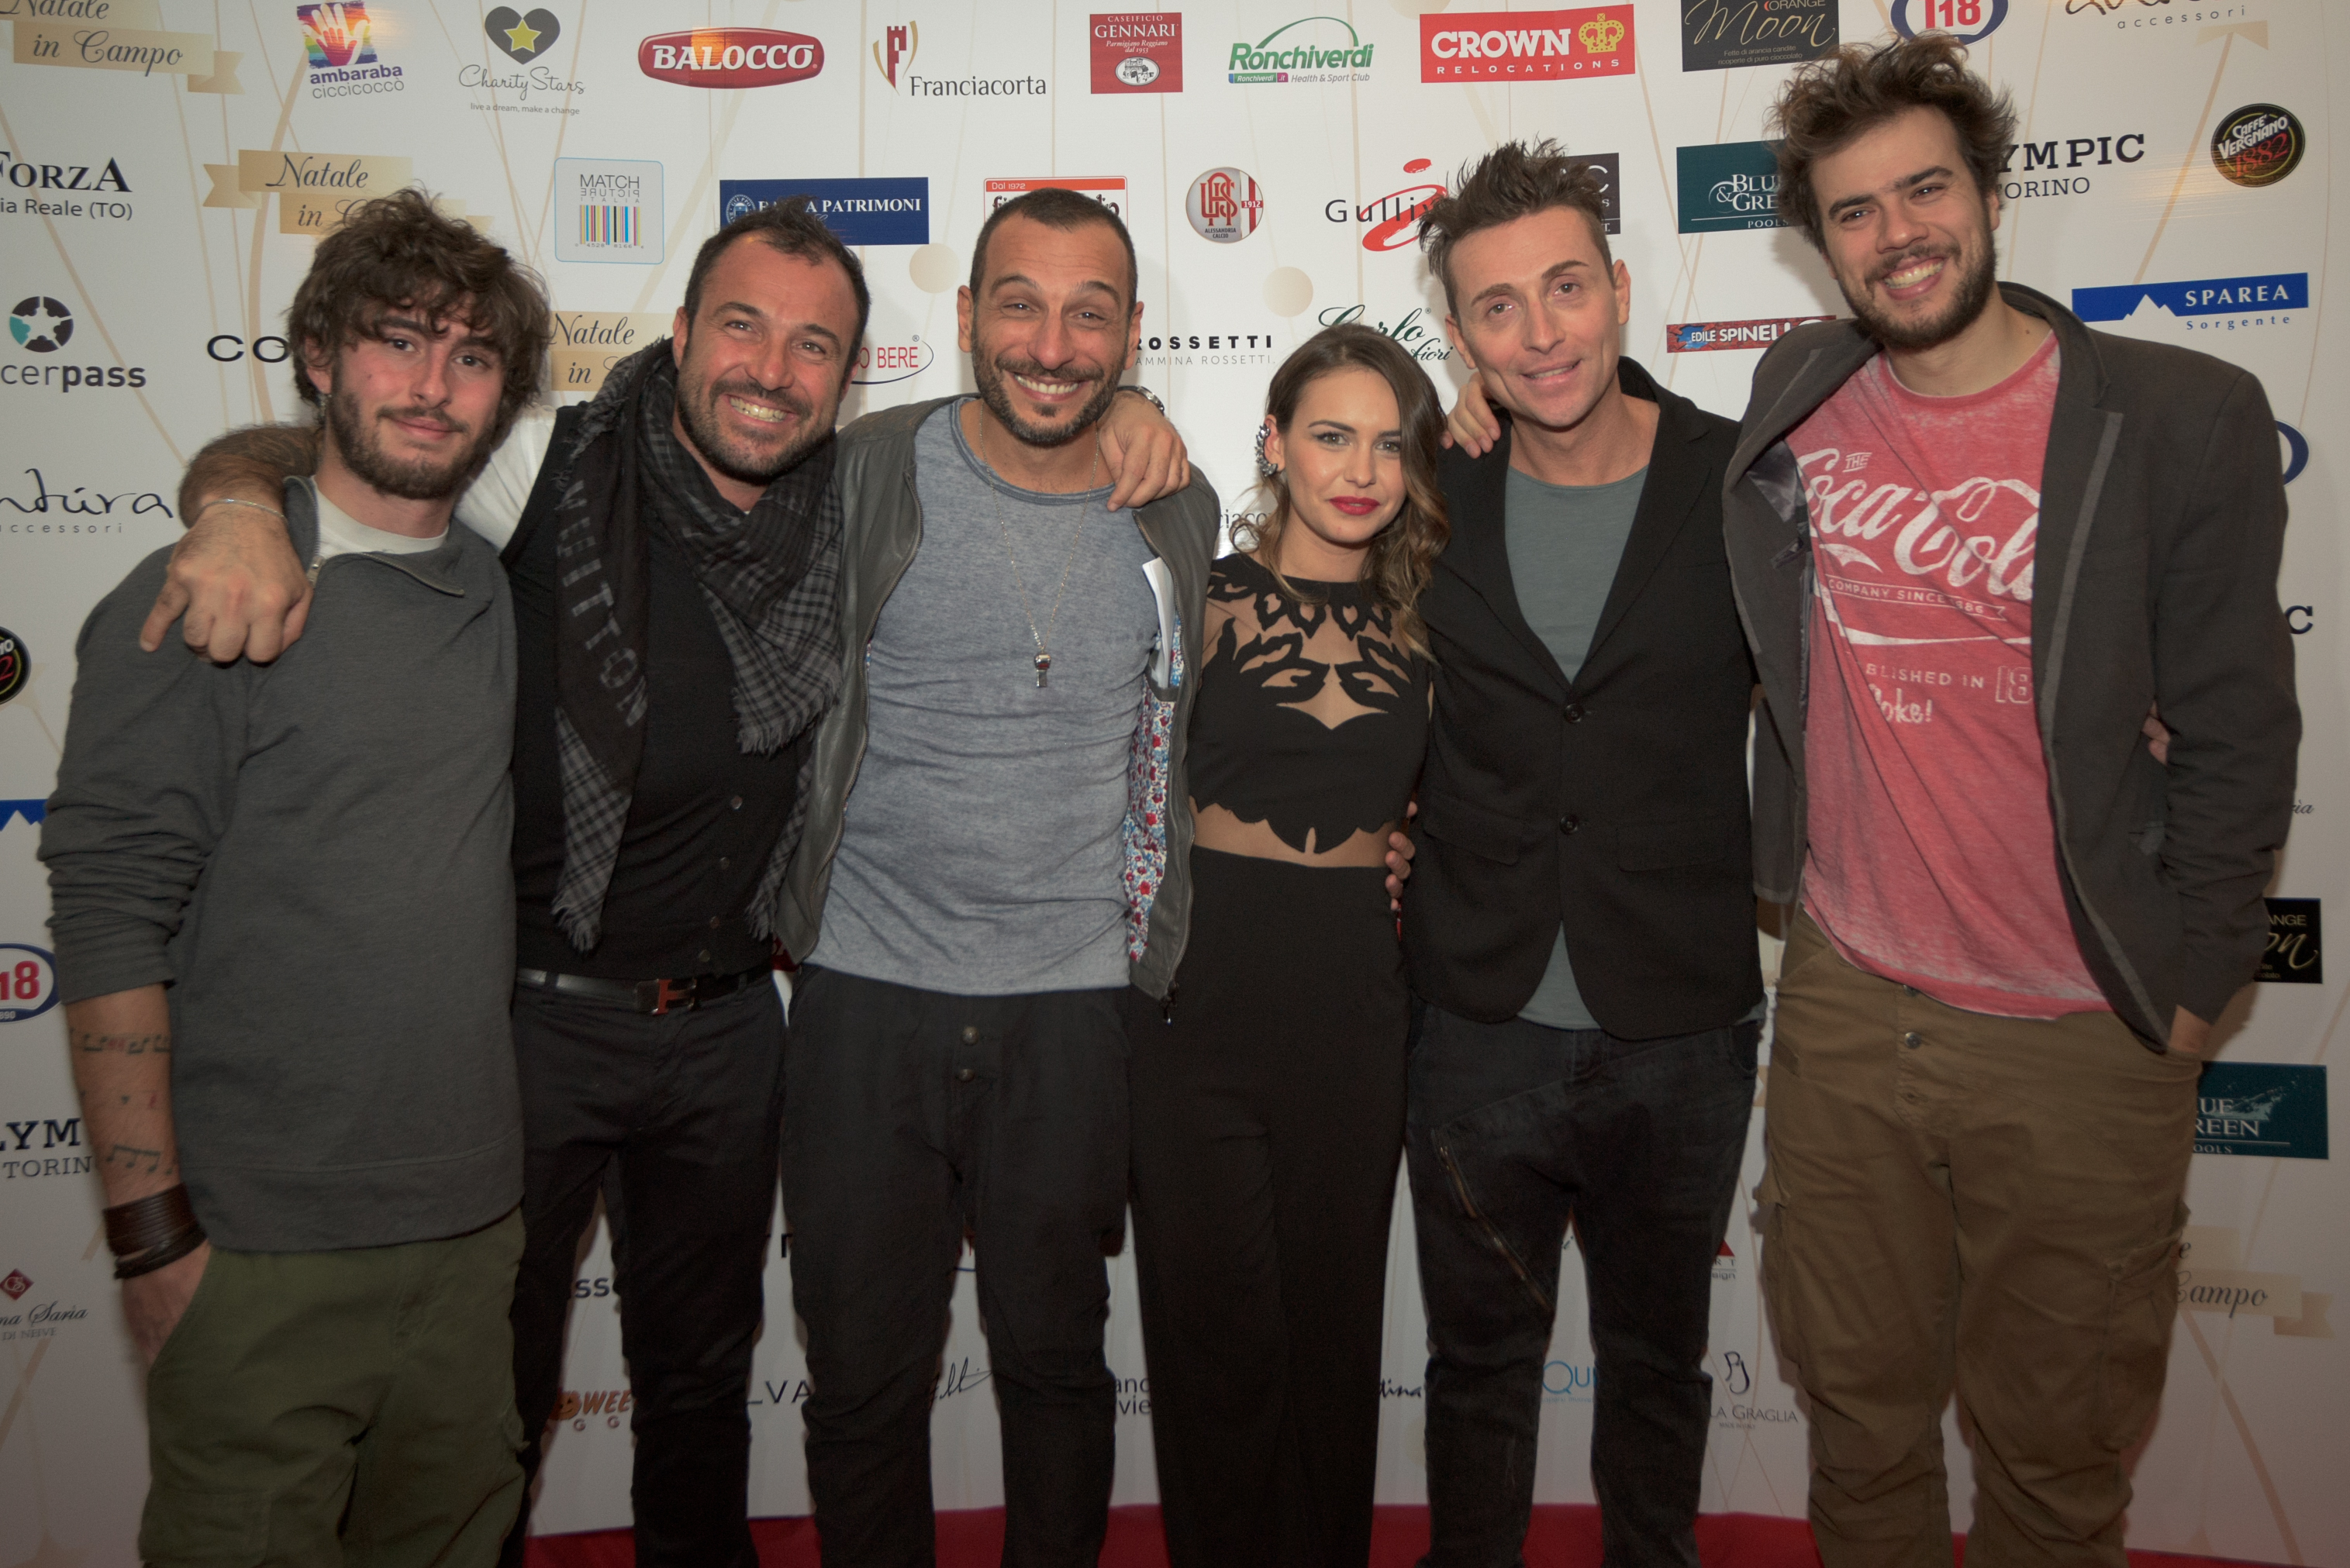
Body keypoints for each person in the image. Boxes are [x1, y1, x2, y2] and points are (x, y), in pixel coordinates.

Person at [152, 195, 1195, 1566]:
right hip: (650, 1013)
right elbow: (361, 452)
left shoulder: (1009, 497)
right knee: (529, 1394)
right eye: (744, 328)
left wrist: (1139, 414)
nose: (772, 370)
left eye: (812, 345)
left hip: (835, 1019)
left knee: (801, 1382)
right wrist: (238, 504)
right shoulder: (690, 464)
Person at [1728, 36, 2297, 1566]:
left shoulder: (2176, 416)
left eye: (1925, 190)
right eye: (1854, 211)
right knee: (1858, 1432)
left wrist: (2197, 986)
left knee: (2054, 1464)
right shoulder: (1796, 394)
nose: (1896, 233)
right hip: (1849, 1006)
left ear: (1989, 195)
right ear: (1820, 243)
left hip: (2079, 1028)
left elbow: (2242, 727)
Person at [41, 189, 546, 1564]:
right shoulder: (207, 592)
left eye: (471, 355)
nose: (432, 385)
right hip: (256, 1248)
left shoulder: (501, 592)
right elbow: (108, 919)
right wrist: (151, 1241)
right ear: (318, 355)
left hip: (471, 1237)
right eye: (396, 339)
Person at [771, 185, 1224, 1567]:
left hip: (1076, 1009)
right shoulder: (862, 468)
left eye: (1092, 315)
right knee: (861, 1385)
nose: (1052, 345)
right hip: (862, 993)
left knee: (1057, 1372)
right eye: (1019, 305)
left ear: (1131, 335)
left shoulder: (1178, 506)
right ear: (966, 315)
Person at [1412, 143, 1766, 1567]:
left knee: (1659, 1366)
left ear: (1620, 288)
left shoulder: (1741, 477)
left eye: (1565, 288)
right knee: (1477, 1371)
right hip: (1474, 1015)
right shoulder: (1423, 488)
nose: (1539, 334)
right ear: (1459, 334)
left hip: (1680, 1021)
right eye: (1496, 307)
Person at [1123, 322, 1448, 1568]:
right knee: (1211, 1344)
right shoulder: (1201, 597)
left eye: (1389, 444)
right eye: (1330, 436)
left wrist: (1411, 848)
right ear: (1273, 444)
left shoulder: (1430, 626)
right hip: (1196, 1005)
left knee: (1332, 1337)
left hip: (1353, 1008)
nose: (1360, 470)